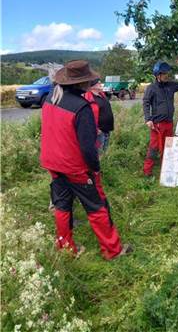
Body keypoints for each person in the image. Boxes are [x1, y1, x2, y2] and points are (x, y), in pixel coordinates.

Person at [40, 60, 132, 259]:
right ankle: (113, 250)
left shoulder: (50, 98)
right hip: (75, 167)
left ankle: (66, 248)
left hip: (53, 163)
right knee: (96, 206)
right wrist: (94, 168)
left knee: (62, 206)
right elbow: (88, 148)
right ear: (82, 83)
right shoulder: (82, 107)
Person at [143, 61, 178, 177]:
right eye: (164, 73)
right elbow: (146, 103)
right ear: (158, 75)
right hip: (157, 125)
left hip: (169, 123)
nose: (167, 75)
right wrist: (148, 119)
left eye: (167, 73)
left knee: (168, 148)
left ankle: (166, 171)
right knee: (154, 148)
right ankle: (147, 172)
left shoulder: (171, 86)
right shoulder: (152, 88)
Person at [84, 78, 114, 157]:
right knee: (98, 153)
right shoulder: (89, 98)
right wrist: (96, 129)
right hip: (99, 132)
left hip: (106, 129)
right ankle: (97, 168)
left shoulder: (101, 95)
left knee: (104, 152)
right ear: (92, 86)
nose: (101, 84)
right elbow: (88, 116)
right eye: (98, 83)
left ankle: (103, 167)